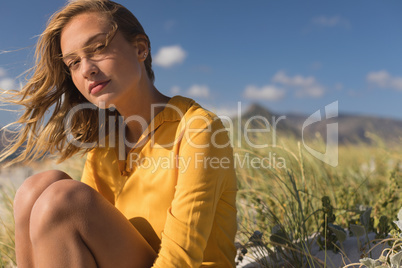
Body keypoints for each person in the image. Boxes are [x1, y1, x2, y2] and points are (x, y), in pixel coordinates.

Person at [1, 0, 237, 267]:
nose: (86, 68)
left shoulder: (197, 129)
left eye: (98, 47)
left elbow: (182, 258)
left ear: (140, 48)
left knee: (62, 200)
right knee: (34, 189)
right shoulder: (105, 147)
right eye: (74, 62)